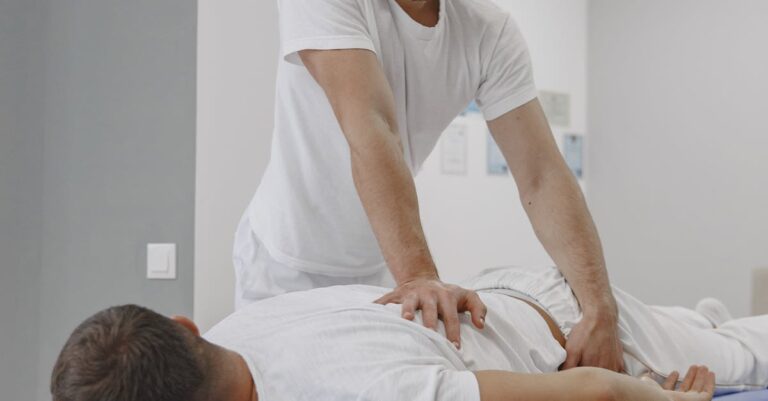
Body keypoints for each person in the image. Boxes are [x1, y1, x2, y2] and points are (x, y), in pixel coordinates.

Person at [237, 0, 622, 370]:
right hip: (284, 264)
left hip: (377, 271)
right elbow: (371, 127)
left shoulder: (489, 31)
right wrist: (419, 276)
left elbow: (542, 174)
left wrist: (599, 307)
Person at [51, 266, 768, 401]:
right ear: (186, 326)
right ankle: (698, 319)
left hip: (566, 328)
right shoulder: (242, 322)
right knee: (703, 327)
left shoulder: (359, 392)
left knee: (743, 356)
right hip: (502, 288)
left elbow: (586, 390)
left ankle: (703, 330)